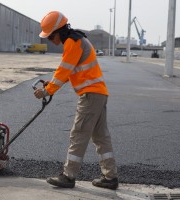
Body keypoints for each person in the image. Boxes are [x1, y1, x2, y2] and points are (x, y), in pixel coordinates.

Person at [34, 11, 118, 190]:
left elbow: (63, 70)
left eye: (51, 36)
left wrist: (47, 91)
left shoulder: (73, 42)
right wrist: (51, 85)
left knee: (78, 134)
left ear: (59, 31)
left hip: (90, 95)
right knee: (101, 137)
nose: (50, 40)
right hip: (99, 94)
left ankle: (68, 176)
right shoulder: (78, 39)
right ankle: (110, 177)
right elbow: (69, 71)